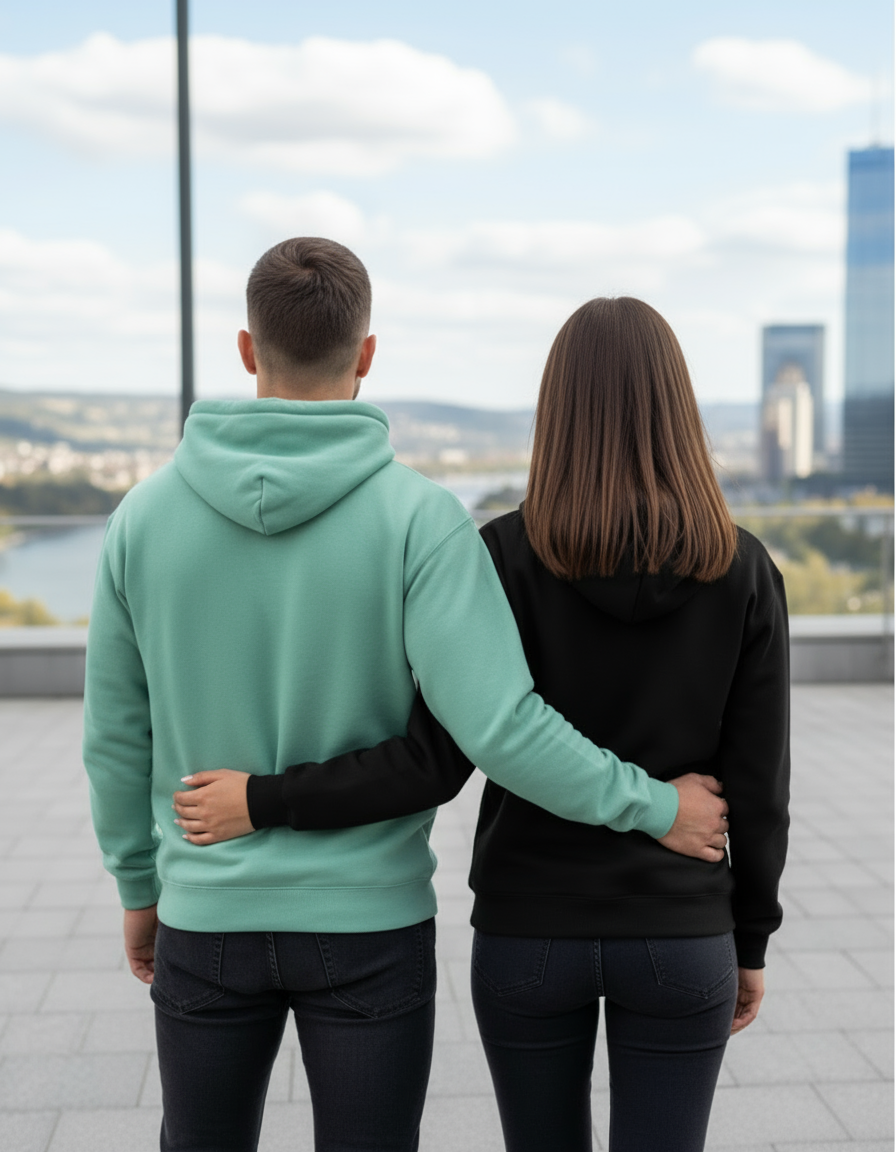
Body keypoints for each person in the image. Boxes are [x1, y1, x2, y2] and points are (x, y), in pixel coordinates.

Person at [83, 243, 728, 1152]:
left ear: (244, 345)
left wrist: (137, 887)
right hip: (368, 923)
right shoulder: (421, 519)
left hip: (207, 913)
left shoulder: (141, 522)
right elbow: (499, 726)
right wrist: (654, 803)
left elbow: (115, 736)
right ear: (368, 353)